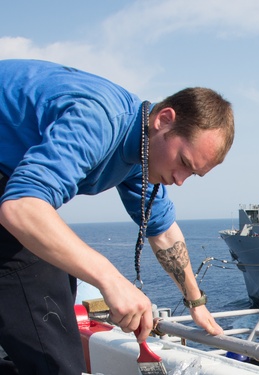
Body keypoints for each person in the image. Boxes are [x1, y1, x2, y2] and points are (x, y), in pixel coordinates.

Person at [0, 59, 233, 374]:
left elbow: (162, 230)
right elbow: (21, 208)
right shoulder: (101, 120)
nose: (180, 180)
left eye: (192, 175)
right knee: (49, 325)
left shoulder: (141, 149)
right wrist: (111, 280)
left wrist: (195, 301)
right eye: (183, 162)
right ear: (164, 119)